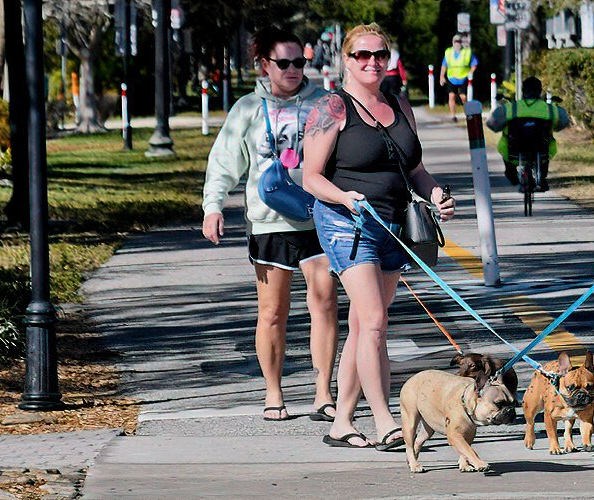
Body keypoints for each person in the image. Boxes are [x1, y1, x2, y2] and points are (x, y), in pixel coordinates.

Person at [300, 23, 457, 450]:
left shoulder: (398, 103)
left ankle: (342, 421)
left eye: (380, 55)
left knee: (363, 327)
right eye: (362, 56)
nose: (372, 63)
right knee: (373, 321)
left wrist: (437, 194)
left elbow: (416, 169)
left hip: (395, 225)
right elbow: (310, 177)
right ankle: (387, 420)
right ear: (345, 60)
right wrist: (345, 197)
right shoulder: (332, 107)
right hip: (346, 222)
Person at [201, 27, 338, 423]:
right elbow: (224, 162)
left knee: (325, 303)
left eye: (300, 62)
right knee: (273, 312)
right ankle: (273, 392)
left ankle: (322, 392)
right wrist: (213, 207)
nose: (293, 69)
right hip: (268, 223)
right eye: (284, 63)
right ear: (265, 65)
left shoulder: (324, 105)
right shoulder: (246, 109)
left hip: (317, 215)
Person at [486, 76, 571, 192]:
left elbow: (492, 123)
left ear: (523, 91)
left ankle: (510, 171)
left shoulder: (512, 107)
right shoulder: (550, 109)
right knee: (547, 147)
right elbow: (563, 122)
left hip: (514, 151)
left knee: (505, 142)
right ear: (540, 91)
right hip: (542, 150)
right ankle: (543, 177)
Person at [441, 34, 478, 121]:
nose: (457, 43)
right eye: (455, 42)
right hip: (451, 77)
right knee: (451, 96)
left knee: (463, 97)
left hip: (463, 77)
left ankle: (468, 114)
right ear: (453, 42)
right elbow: (444, 66)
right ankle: (453, 116)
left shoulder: (467, 52)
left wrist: (470, 73)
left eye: (459, 42)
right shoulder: (448, 52)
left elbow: (474, 64)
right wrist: (442, 77)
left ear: (461, 43)